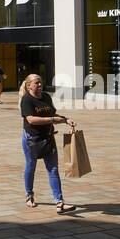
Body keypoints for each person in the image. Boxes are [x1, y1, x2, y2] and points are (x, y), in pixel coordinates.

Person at [19, 74, 76, 213]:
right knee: (31, 166)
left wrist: (65, 119)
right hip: (32, 139)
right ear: (29, 86)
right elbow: (31, 120)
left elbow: (53, 114)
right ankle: (29, 195)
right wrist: (51, 120)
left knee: (53, 169)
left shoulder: (46, 97)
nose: (40, 85)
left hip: (48, 137)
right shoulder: (27, 100)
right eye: (36, 83)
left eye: (41, 82)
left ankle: (60, 202)